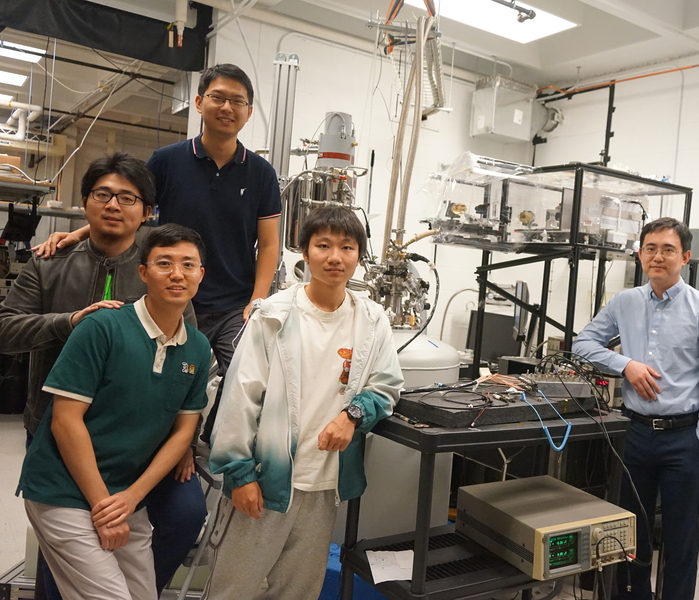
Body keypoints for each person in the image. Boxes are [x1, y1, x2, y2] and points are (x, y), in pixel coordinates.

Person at [33, 63, 282, 440]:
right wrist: (79, 232)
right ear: (199, 102)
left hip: (234, 303)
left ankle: (207, 449)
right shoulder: (167, 160)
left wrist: (258, 299)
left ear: (248, 112)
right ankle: (152, 447)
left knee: (247, 377)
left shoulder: (261, 173)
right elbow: (132, 206)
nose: (227, 108)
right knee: (156, 380)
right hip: (171, 295)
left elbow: (269, 244)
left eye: (238, 101)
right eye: (218, 98)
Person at [0, 153, 207, 595]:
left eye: (127, 198)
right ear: (85, 201)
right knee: (67, 548)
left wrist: (184, 440)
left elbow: (183, 358)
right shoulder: (49, 261)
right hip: (59, 421)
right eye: (103, 195)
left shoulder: (159, 266)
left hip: (139, 438)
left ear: (146, 211)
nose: (114, 205)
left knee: (185, 514)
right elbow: (4, 329)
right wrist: (67, 321)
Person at [202, 206, 403, 600]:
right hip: (264, 478)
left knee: (298, 593)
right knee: (232, 590)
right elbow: (239, 398)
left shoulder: (372, 319)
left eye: (346, 247)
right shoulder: (273, 315)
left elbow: (387, 385)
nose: (335, 257)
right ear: (304, 252)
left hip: (324, 485)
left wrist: (353, 415)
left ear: (358, 256)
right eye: (323, 245)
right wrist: (239, 475)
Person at [572, 217, 699, 600]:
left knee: (680, 537)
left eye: (668, 249)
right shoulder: (624, 303)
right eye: (650, 248)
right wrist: (625, 364)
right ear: (640, 254)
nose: (658, 256)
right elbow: (583, 344)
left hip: (684, 437)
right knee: (632, 532)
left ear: (686, 257)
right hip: (636, 433)